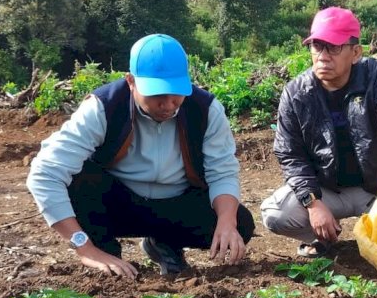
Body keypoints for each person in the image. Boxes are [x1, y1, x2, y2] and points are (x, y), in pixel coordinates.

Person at [26, 34, 254, 277]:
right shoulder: (104, 106)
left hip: (177, 204)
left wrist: (226, 222)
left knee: (239, 221)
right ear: (131, 81)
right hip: (117, 204)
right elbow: (45, 173)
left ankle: (165, 244)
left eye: (176, 93)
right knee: (80, 179)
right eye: (157, 94)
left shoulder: (206, 110)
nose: (168, 104)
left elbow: (223, 171)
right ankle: (103, 254)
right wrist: (84, 247)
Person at [260, 7, 377, 258]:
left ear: (356, 52)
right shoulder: (296, 93)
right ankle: (321, 237)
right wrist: (313, 203)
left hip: (375, 188)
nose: (323, 56)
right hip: (326, 189)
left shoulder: (375, 76)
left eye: (334, 47)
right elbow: (290, 154)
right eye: (317, 46)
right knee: (276, 214)